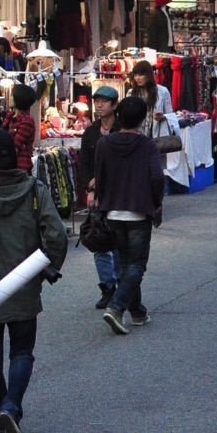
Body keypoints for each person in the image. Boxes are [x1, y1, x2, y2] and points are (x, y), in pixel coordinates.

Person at [0, 131, 67, 433]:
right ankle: (12, 405)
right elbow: (56, 235)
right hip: (24, 284)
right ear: (15, 155)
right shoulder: (33, 189)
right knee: (22, 350)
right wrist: (48, 265)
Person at [90, 94, 175, 334]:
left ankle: (137, 312)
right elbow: (157, 177)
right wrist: (156, 202)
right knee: (136, 265)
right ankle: (116, 307)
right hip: (138, 210)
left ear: (118, 116)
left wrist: (101, 201)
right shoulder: (146, 145)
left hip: (113, 211)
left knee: (126, 264)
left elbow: (100, 176)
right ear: (142, 119)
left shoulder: (104, 144)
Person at [76, 85, 120, 309]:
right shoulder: (91, 133)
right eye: (97, 101)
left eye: (104, 101)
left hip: (119, 193)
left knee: (118, 241)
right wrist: (89, 188)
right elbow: (84, 164)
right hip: (98, 197)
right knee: (99, 240)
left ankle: (122, 286)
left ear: (114, 105)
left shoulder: (122, 130)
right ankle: (107, 287)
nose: (100, 105)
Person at [4, 81, 39, 160]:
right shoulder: (10, 117)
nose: (10, 98)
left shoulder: (27, 120)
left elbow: (15, 144)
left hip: (19, 166)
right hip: (7, 165)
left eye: (12, 95)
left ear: (20, 98)